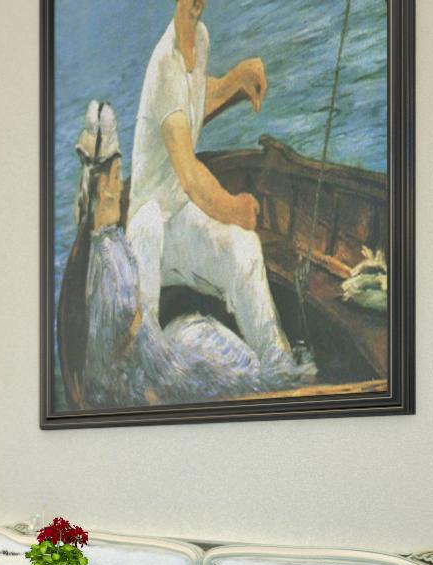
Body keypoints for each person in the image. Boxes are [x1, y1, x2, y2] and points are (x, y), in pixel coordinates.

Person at [126, 0, 314, 387]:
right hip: (149, 232)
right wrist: (235, 208)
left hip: (179, 214)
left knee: (244, 247)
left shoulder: (200, 38)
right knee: (145, 355)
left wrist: (234, 81)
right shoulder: (164, 64)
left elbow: (192, 99)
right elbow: (190, 176)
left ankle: (280, 369)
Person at [66, 100, 264, 409]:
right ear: (104, 188)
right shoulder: (109, 258)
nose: (121, 188)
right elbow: (122, 340)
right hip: (139, 373)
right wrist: (152, 356)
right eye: (118, 178)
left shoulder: (107, 241)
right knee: (232, 359)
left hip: (141, 357)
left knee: (202, 333)